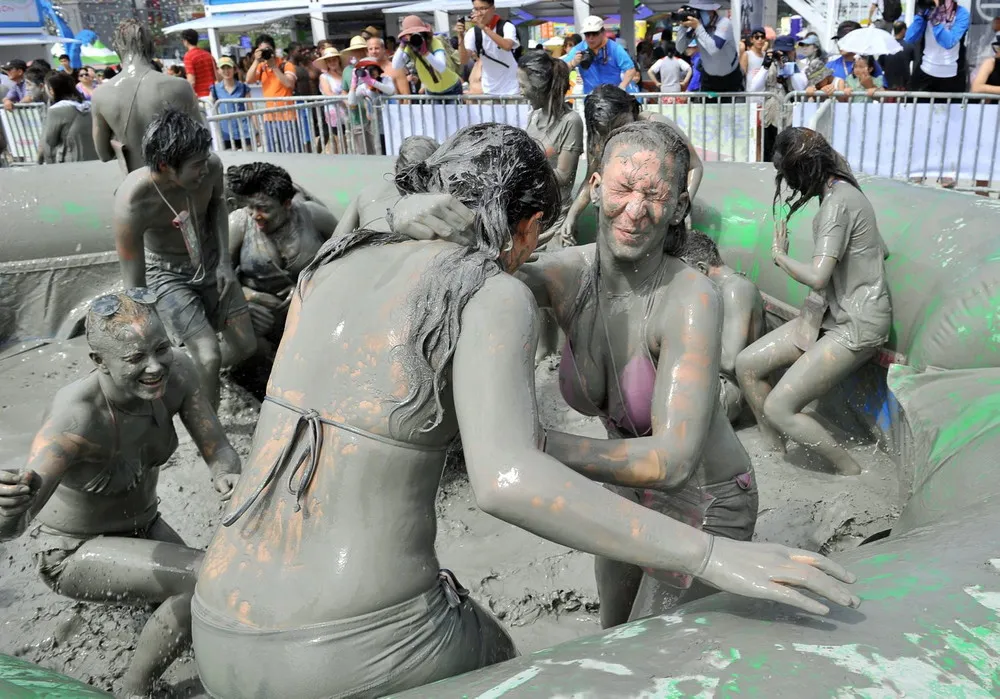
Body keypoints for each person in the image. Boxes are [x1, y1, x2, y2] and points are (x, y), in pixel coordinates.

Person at [192, 122, 860, 699]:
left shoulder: (691, 296)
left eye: (655, 194)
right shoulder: (555, 275)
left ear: (679, 205)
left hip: (702, 497)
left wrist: (528, 442)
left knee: (656, 658)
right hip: (619, 493)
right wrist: (393, 215)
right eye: (623, 189)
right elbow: (459, 270)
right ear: (591, 188)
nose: (636, 209)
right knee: (611, 639)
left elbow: (673, 457)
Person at [0, 291, 240, 698]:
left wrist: (227, 474)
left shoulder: (177, 373)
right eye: (134, 359)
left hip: (144, 528)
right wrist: (9, 505)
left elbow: (218, 447)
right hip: (73, 553)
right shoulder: (76, 417)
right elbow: (13, 529)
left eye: (161, 347)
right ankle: (135, 688)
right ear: (99, 362)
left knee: (228, 596)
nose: (154, 366)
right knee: (205, 580)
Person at [735, 127, 892, 476]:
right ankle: (775, 454)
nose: (789, 188)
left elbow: (819, 275)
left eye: (788, 178)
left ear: (803, 172)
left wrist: (780, 256)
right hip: (829, 315)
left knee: (779, 407)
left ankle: (852, 473)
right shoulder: (840, 188)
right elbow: (879, 250)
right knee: (745, 364)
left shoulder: (838, 204)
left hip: (855, 325)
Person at [112, 109, 256, 410]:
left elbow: (217, 204)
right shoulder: (133, 202)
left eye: (206, 160)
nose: (206, 170)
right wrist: (145, 326)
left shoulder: (211, 167)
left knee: (246, 345)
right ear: (165, 166)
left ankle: (202, 376)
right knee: (208, 354)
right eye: (197, 166)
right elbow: (133, 279)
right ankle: (208, 423)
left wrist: (225, 264)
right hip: (167, 273)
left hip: (212, 259)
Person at [560, 85, 703, 245]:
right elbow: (590, 181)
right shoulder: (597, 140)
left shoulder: (654, 124)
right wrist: (571, 216)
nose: (616, 134)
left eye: (621, 125)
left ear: (630, 109)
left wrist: (683, 208)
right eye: (605, 130)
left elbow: (695, 166)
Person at [226, 162, 338, 358]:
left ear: (287, 204)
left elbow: (346, 259)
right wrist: (249, 298)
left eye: (264, 208)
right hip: (260, 315)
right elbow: (218, 278)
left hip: (310, 309)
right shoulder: (239, 223)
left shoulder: (313, 216)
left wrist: (308, 287)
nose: (255, 215)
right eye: (250, 207)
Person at [92, 19, 202, 174]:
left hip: (135, 186)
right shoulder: (179, 86)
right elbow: (202, 140)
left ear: (116, 48)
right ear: (152, 47)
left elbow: (103, 154)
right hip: (177, 182)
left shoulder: (100, 94)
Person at [679, 230, 764, 422]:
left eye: (684, 275)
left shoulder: (735, 290)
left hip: (729, 389)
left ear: (701, 269)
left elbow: (729, 362)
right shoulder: (716, 289)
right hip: (713, 378)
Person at [518, 50, 583, 249]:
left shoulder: (570, 121)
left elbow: (564, 175)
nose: (520, 92)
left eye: (523, 85)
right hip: (529, 215)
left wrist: (522, 170)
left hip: (555, 221)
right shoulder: (533, 117)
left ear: (539, 87)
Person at [332, 135, 439, 237]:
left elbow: (334, 243)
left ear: (396, 169)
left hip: (367, 248)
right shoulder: (441, 198)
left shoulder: (367, 193)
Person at [749, 35, 807, 161]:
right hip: (770, 116)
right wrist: (765, 66)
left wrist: (788, 65)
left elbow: (800, 87)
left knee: (789, 155)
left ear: (793, 51)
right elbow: (754, 87)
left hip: (791, 118)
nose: (782, 55)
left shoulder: (799, 66)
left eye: (786, 52)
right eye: (780, 52)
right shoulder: (768, 66)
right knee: (769, 153)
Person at [245, 34, 299, 153]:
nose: (265, 52)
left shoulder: (286, 65)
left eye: (267, 50)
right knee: (274, 154)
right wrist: (256, 60)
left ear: (273, 50)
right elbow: (248, 80)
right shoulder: (261, 66)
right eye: (261, 50)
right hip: (269, 118)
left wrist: (274, 66)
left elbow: (289, 84)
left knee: (291, 152)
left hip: (287, 117)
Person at [675, 0, 742, 92]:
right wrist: (683, 26)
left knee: (733, 106)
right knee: (708, 106)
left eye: (700, 10)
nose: (697, 14)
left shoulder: (723, 23)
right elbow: (680, 48)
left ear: (711, 11)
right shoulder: (698, 27)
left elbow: (714, 49)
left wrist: (698, 28)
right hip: (709, 79)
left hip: (730, 79)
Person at [457, 0, 520, 95]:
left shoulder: (506, 26)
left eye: (482, 8)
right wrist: (460, 37)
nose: (478, 13)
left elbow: (507, 46)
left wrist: (484, 28)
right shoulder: (473, 32)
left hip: (512, 88)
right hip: (488, 89)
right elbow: (464, 60)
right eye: (476, 9)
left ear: (493, 8)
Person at [562, 16, 639, 94]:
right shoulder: (578, 49)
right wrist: (573, 62)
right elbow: (560, 68)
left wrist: (621, 87)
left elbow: (630, 69)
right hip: (590, 98)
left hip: (612, 98)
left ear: (603, 32)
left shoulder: (615, 48)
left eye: (594, 33)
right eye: (587, 34)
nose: (590, 38)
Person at [905, 0, 970, 92]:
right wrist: (920, 15)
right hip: (926, 70)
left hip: (951, 75)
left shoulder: (962, 13)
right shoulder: (929, 10)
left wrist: (935, 21)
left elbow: (948, 42)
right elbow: (909, 38)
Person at [393, 16, 463, 97]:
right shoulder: (410, 47)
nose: (415, 37)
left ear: (424, 32)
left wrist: (426, 53)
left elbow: (441, 67)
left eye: (417, 33)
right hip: (431, 91)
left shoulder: (434, 42)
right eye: (410, 34)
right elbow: (396, 66)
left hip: (451, 88)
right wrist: (402, 45)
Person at [40, 71, 99, 164]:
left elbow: (51, 141)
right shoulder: (89, 105)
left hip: (72, 160)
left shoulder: (56, 110)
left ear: (51, 90)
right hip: (96, 157)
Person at [347, 57, 396, 154]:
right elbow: (352, 102)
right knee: (380, 150)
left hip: (392, 122)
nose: (372, 72)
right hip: (376, 125)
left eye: (373, 69)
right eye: (368, 70)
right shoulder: (363, 87)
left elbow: (391, 91)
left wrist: (371, 81)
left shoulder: (386, 80)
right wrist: (353, 84)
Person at [823, 21, 884, 95]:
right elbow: (817, 91)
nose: (840, 44)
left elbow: (885, 96)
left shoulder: (871, 64)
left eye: (845, 40)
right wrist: (824, 90)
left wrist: (871, 87)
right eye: (838, 40)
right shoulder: (829, 66)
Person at [210, 56, 252, 150]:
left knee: (250, 159)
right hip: (226, 132)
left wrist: (256, 131)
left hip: (244, 130)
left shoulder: (243, 87)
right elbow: (212, 111)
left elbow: (251, 111)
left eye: (229, 67)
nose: (226, 71)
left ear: (234, 69)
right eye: (223, 68)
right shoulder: (215, 89)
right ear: (218, 71)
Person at [314, 46, 347, 153]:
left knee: (347, 141)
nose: (332, 62)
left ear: (338, 60)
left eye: (334, 59)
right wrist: (345, 100)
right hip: (334, 112)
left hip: (347, 112)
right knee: (337, 141)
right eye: (329, 61)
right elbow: (328, 93)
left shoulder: (344, 74)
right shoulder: (324, 77)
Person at [181, 28, 218, 99]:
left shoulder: (188, 56)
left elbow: (191, 81)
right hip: (213, 93)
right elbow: (217, 75)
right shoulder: (208, 55)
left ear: (186, 41)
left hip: (200, 96)